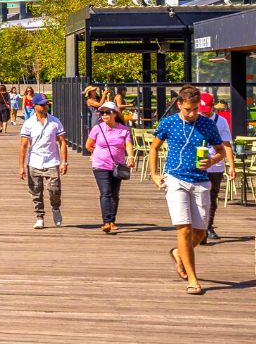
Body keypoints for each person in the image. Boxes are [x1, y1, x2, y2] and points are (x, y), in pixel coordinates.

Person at [149, 84, 235, 295]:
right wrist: (154, 174)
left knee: (199, 232)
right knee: (184, 228)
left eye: (195, 109)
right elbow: (154, 147)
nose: (192, 113)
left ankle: (179, 253)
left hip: (200, 180)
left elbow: (220, 150)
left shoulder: (207, 124)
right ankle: (193, 279)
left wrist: (212, 160)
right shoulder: (169, 123)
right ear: (179, 105)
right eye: (188, 109)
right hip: (175, 178)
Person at [18, 93, 68, 229]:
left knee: (54, 189)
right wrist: (21, 167)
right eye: (43, 104)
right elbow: (23, 145)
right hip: (34, 161)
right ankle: (39, 216)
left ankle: (56, 208)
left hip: (51, 161)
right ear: (35, 106)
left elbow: (62, 142)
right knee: (35, 191)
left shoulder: (55, 122)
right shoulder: (28, 124)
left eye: (47, 104)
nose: (46, 106)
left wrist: (64, 162)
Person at [85, 101, 135, 234]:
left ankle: (112, 220)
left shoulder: (123, 129)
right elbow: (88, 145)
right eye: (102, 113)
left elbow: (128, 145)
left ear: (115, 114)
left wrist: (130, 157)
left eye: (107, 112)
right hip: (100, 165)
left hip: (117, 165)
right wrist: (98, 153)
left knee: (114, 194)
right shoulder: (98, 128)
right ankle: (106, 221)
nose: (104, 115)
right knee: (105, 192)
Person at [198, 93, 232, 242]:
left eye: (205, 109)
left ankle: (208, 226)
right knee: (198, 196)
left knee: (212, 197)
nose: (202, 112)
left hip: (216, 165)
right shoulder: (195, 120)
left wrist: (232, 165)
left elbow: (226, 144)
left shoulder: (221, 121)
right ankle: (200, 228)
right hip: (198, 165)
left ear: (213, 107)